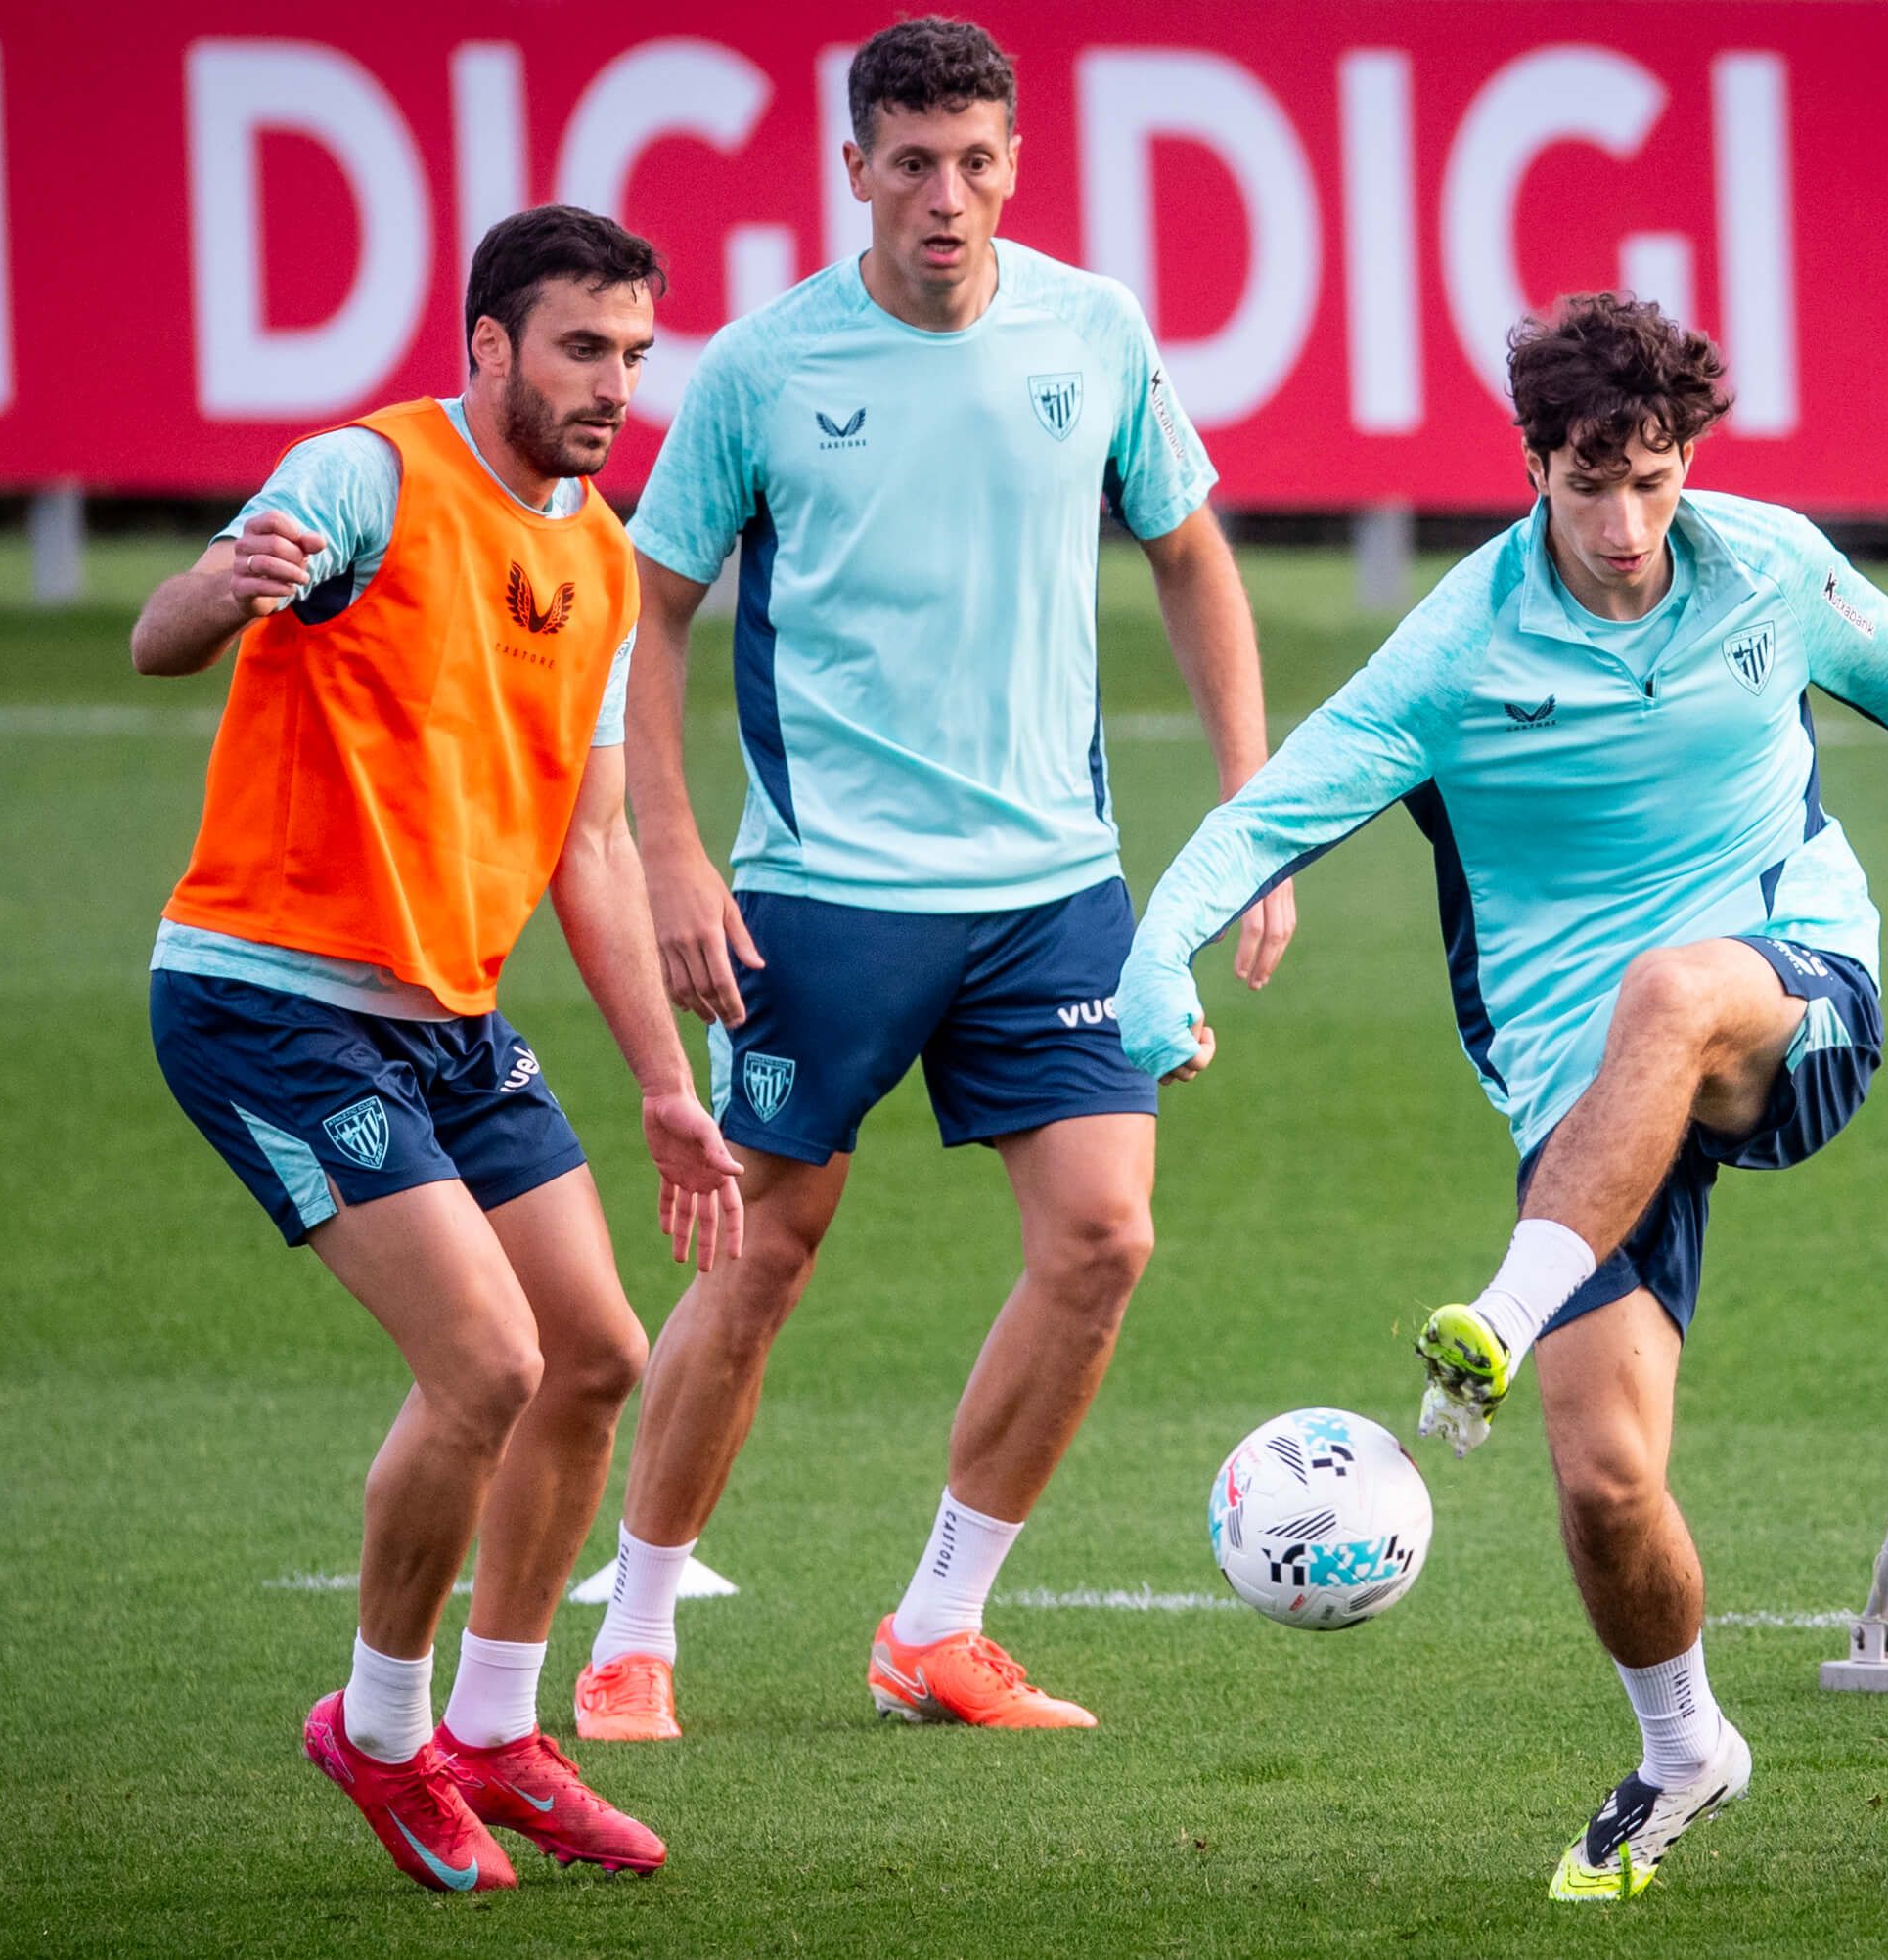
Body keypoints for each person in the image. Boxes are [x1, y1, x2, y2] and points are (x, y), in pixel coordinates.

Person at [1116, 293, 1888, 1901]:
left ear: (1688, 459)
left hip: (1789, 999)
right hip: (1586, 1112)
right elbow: (1273, 808)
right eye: (1591, 484)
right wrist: (1163, 960)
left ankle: (1497, 1314)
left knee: (1675, 983)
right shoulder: (1458, 646)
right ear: (1534, 468)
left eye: (1655, 479)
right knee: (1605, 1483)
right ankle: (1686, 1747)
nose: (1628, 524)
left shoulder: (1770, 571)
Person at [572, 15, 1292, 1742]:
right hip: (822, 892)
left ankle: (939, 1626)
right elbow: (650, 612)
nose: (946, 196)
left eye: (976, 161)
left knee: (1106, 1238)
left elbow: (1191, 557)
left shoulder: (1095, 332)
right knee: (762, 1255)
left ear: (1015, 165)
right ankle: (636, 1631)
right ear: (855, 173)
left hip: (1055, 884)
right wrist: (672, 848)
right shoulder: (759, 369)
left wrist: (1255, 814)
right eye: (911, 163)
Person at [128, 205, 743, 1893]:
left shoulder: (603, 558)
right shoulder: (363, 480)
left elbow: (594, 846)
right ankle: (382, 1732)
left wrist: (667, 1088)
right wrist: (220, 588)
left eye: (632, 354)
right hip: (269, 998)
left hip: (448, 1020)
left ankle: (494, 1726)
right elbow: (161, 633)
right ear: (489, 347)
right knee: (489, 1363)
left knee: (601, 1355)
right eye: (580, 350)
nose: (617, 385)